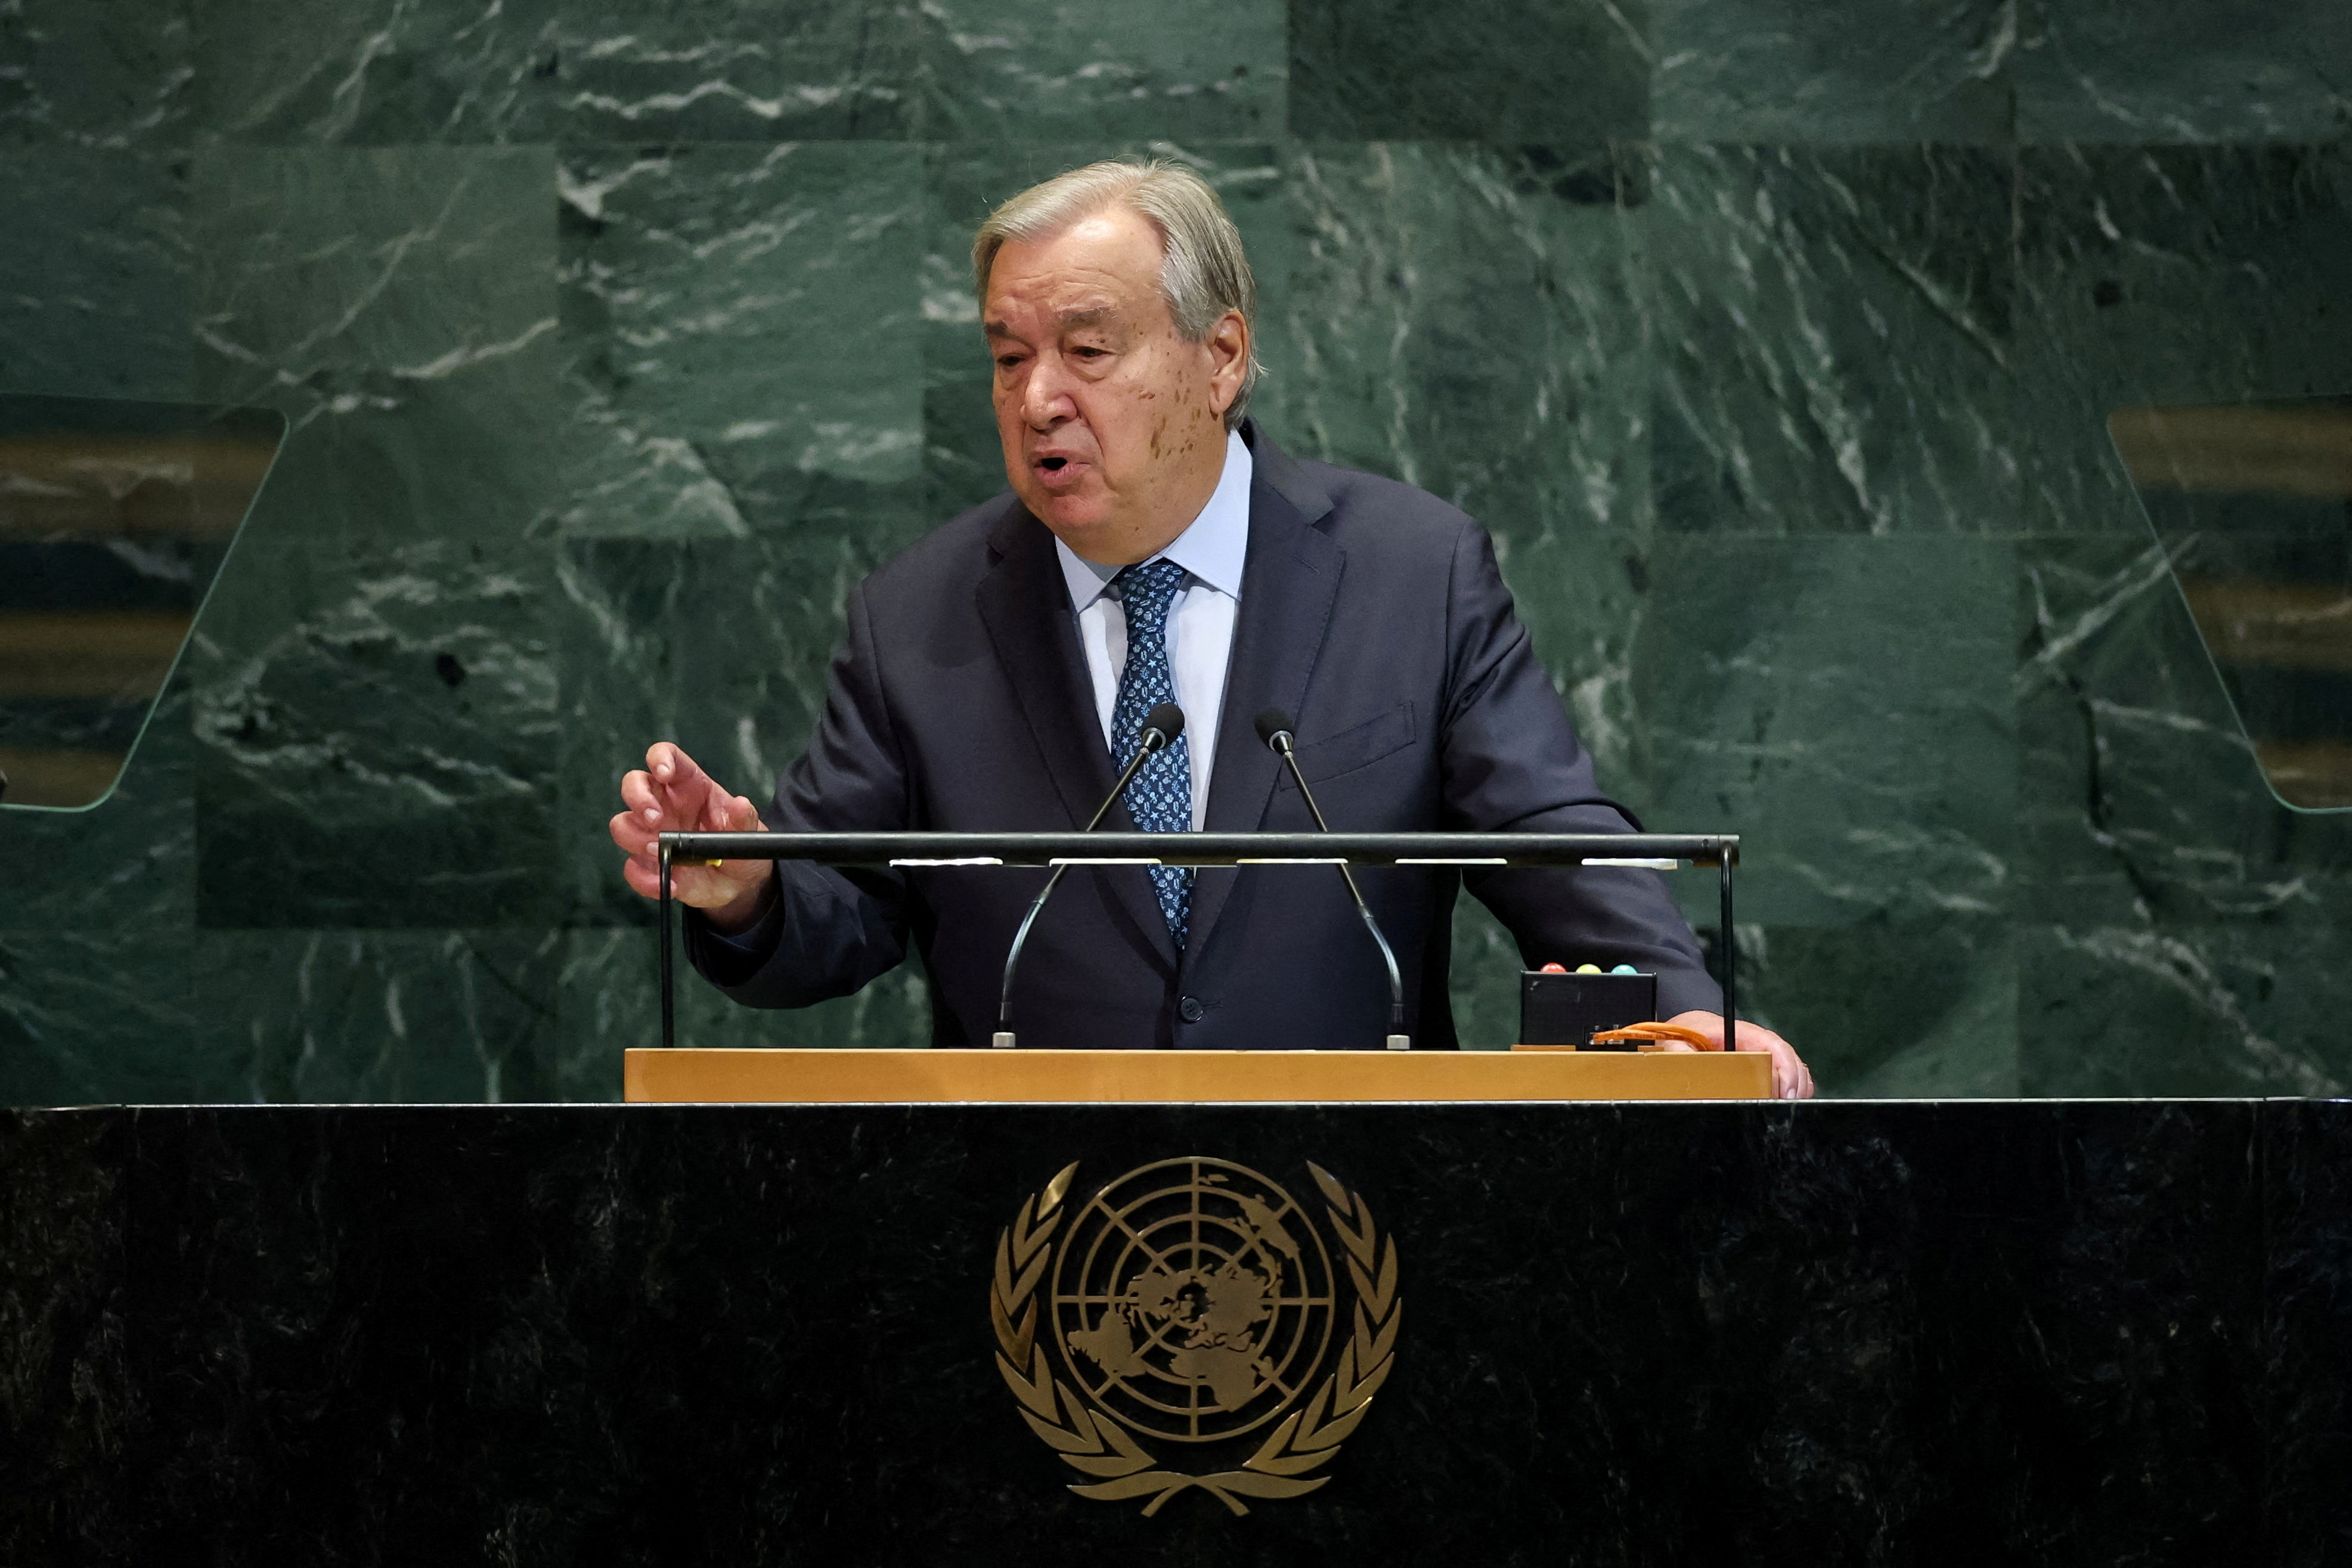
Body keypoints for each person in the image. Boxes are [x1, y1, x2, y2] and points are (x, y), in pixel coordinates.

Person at [611, 160, 1812, 1098]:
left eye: (1087, 350)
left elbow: (1549, 837)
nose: (1038, 398)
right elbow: (842, 907)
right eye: (1009, 357)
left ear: (1221, 356)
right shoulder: (918, 615)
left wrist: (1686, 1009)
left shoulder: (1410, 574)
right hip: (1035, 1229)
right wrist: (749, 888)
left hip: (1364, 1208)